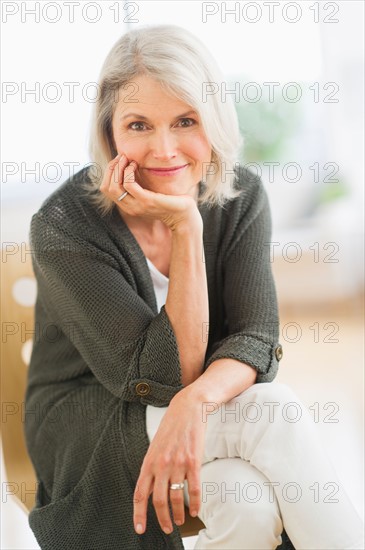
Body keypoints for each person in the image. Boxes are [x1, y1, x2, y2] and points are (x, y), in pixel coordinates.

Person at [24, 24, 364, 550]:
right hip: (89, 425)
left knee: (245, 502)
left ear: (214, 121)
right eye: (139, 125)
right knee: (271, 413)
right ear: (110, 132)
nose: (164, 149)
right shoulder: (64, 225)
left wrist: (197, 401)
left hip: (193, 412)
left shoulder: (242, 195)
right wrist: (186, 227)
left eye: (185, 120)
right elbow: (159, 377)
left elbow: (254, 337)